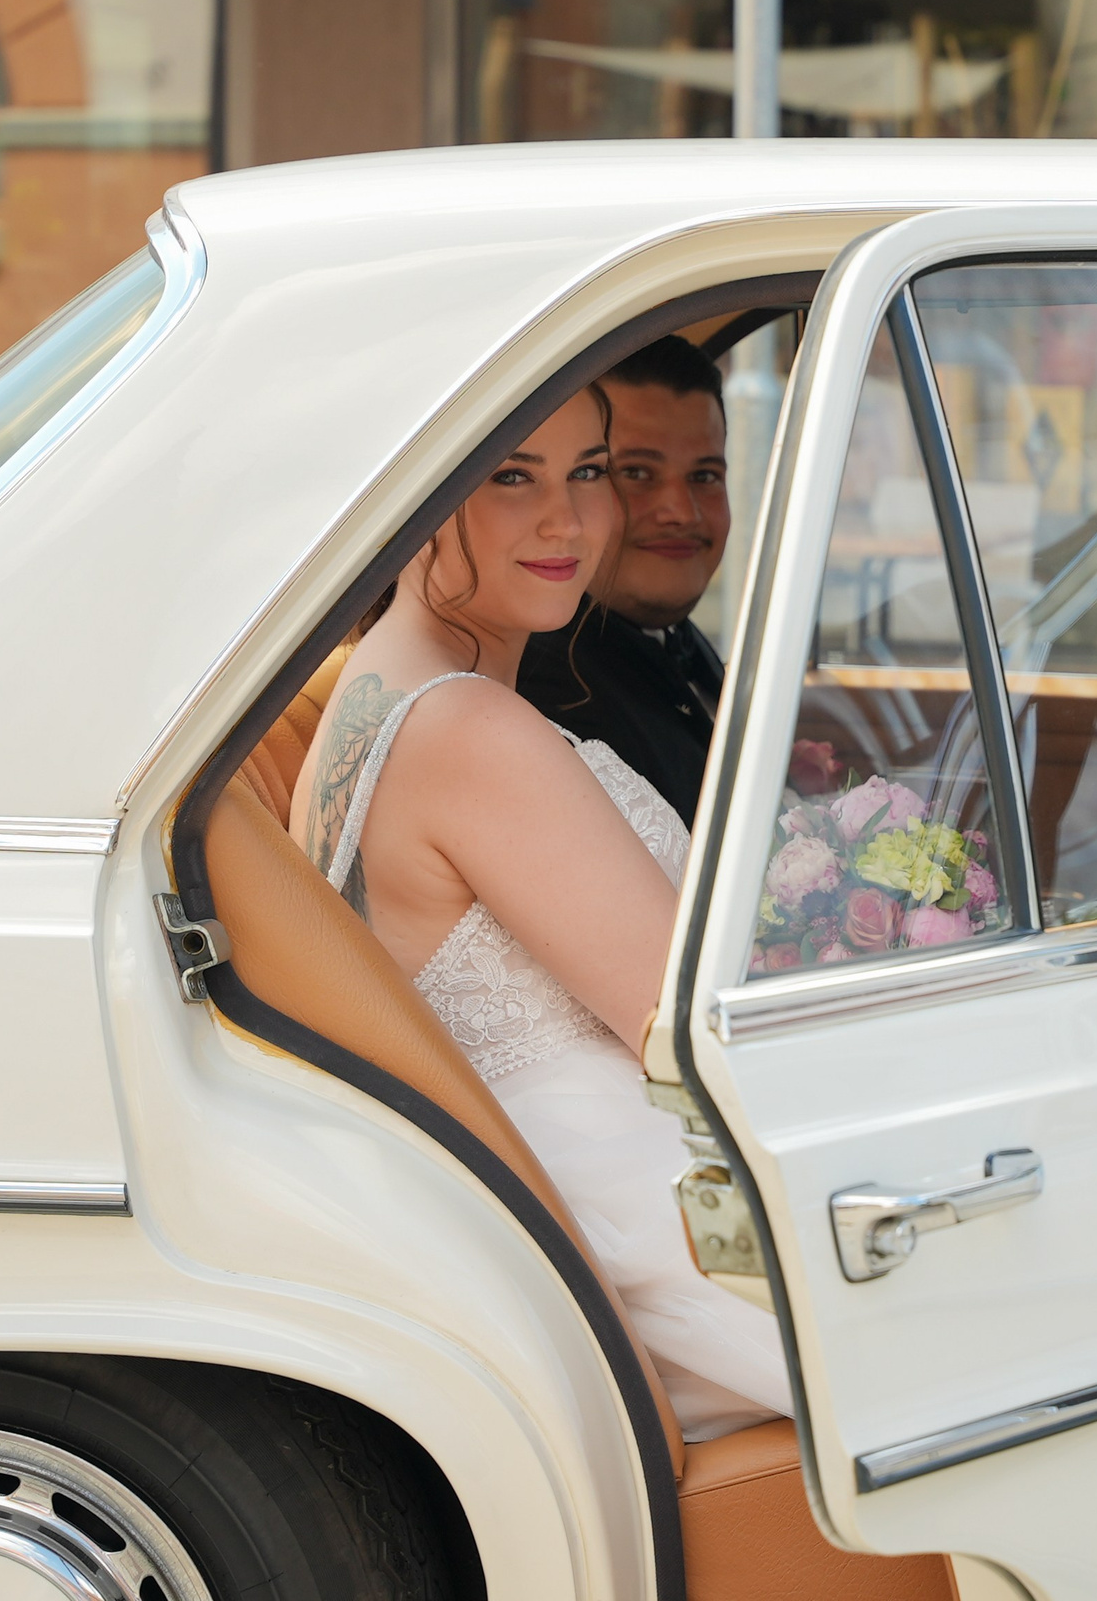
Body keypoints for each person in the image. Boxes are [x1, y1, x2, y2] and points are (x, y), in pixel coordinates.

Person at [288, 383, 789, 1443]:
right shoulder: (469, 729)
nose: (566, 520)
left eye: (589, 472)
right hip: (652, 1237)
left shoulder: (383, 691)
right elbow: (704, 1034)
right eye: (512, 476)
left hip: (581, 1212)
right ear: (410, 493)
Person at [518, 336, 729, 825]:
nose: (681, 512)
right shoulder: (547, 691)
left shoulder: (673, 640)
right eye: (635, 472)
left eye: (705, 476)